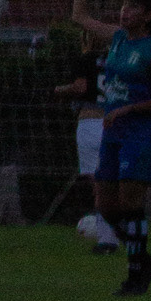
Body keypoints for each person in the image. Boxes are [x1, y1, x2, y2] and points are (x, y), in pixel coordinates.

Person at [67, 0, 151, 297]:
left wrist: (131, 108)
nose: (124, 11)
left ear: (149, 16)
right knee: (105, 206)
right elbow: (79, 17)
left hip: (139, 134)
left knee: (131, 205)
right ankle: (143, 258)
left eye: (133, 7)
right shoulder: (117, 39)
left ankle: (134, 277)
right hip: (112, 132)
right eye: (124, 5)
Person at [54, 34, 121, 251]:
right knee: (112, 182)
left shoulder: (86, 59)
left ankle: (107, 239)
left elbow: (80, 87)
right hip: (114, 123)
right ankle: (116, 232)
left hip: (91, 122)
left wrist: (59, 90)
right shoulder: (118, 59)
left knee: (99, 185)